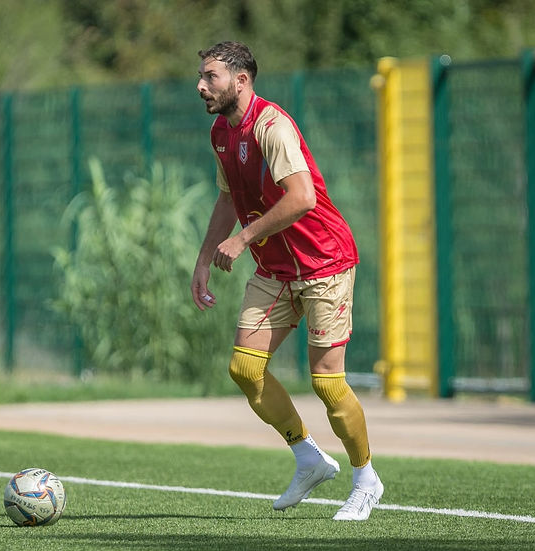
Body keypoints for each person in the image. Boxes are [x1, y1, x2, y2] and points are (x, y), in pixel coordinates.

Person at [191, 41, 383, 521]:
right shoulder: (220, 132)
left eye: (210, 76)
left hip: (324, 263)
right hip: (276, 270)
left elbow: (301, 199)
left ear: (242, 80)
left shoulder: (272, 126)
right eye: (201, 76)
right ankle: (309, 458)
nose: (201, 85)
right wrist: (202, 261)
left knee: (328, 384)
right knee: (244, 369)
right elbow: (225, 199)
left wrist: (242, 239)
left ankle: (365, 479)